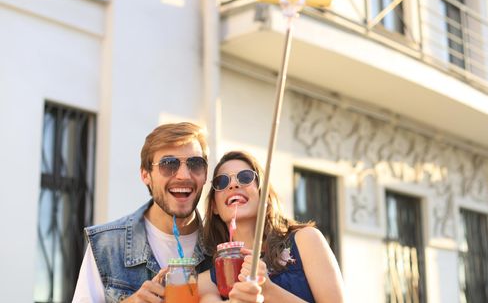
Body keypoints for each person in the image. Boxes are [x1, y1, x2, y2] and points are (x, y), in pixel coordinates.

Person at [72, 123, 263, 303]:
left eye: (195, 164)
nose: (183, 175)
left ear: (205, 175)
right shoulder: (108, 245)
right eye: (169, 164)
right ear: (145, 175)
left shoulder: (223, 250)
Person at [198, 151, 346, 303]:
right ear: (214, 206)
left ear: (264, 195)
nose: (234, 184)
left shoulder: (306, 240)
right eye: (222, 182)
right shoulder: (207, 283)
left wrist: (268, 290)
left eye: (245, 177)